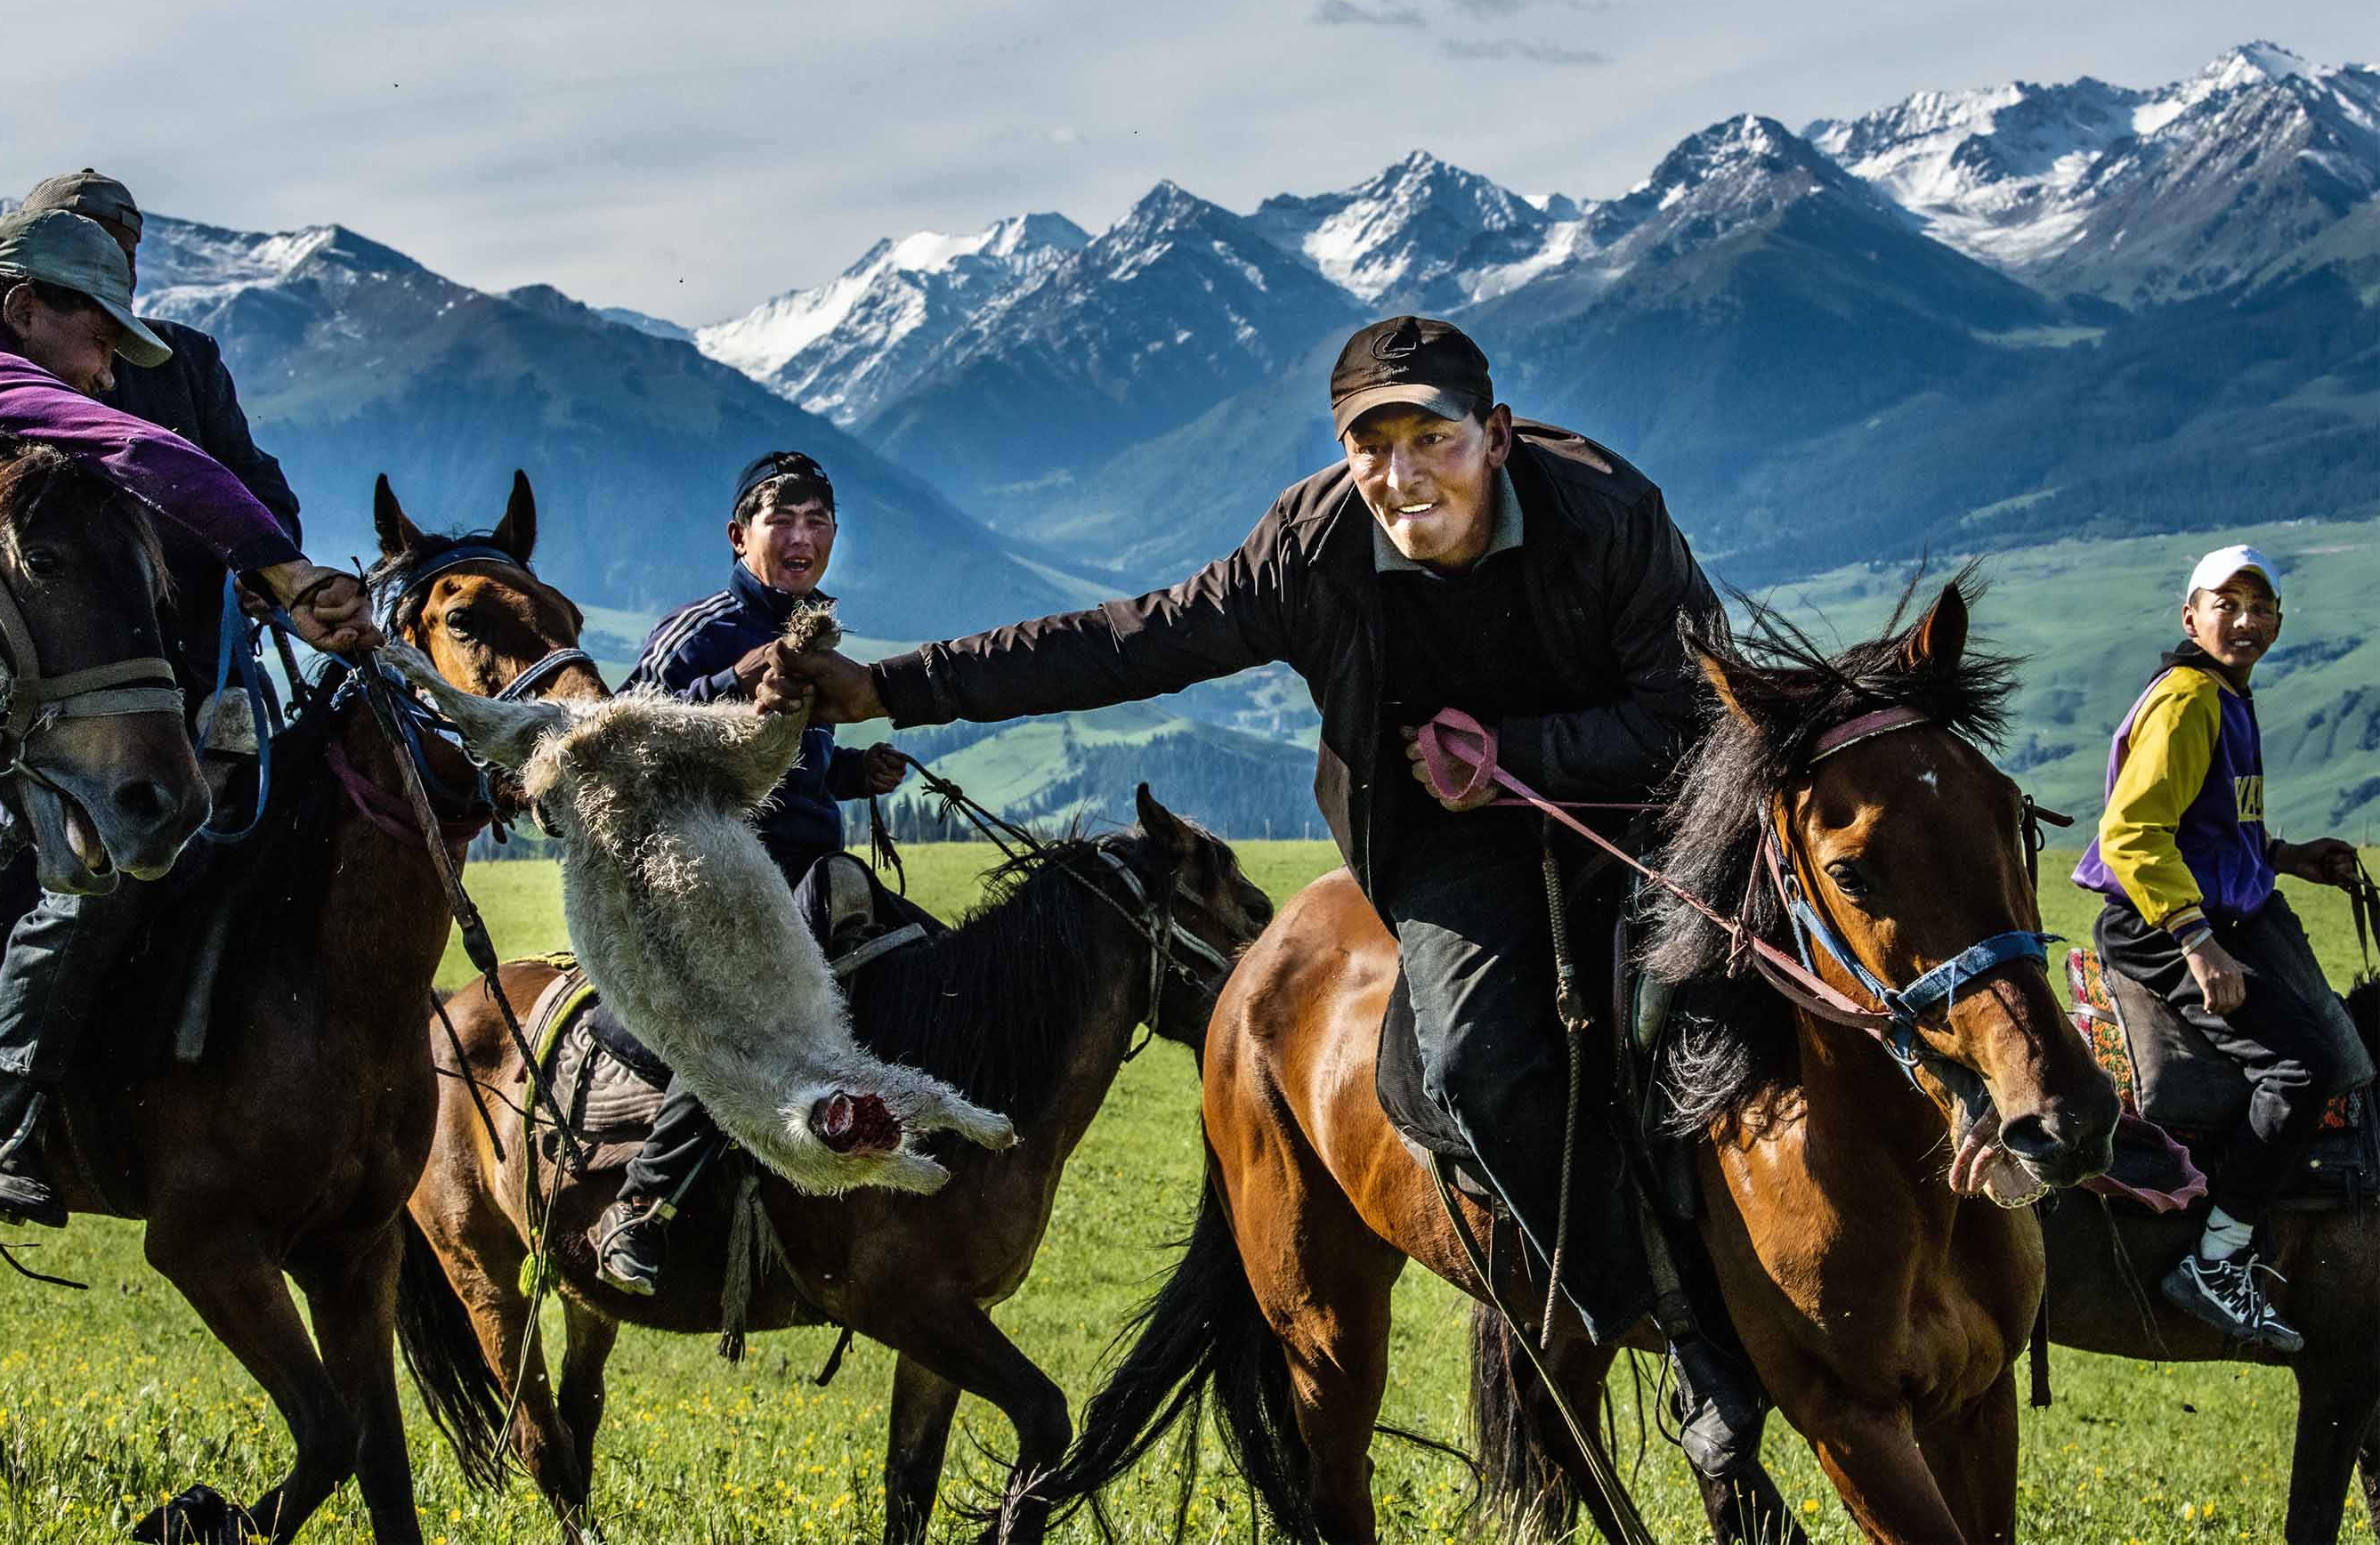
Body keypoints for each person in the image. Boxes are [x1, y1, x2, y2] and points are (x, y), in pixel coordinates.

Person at [743, 315, 1768, 1476]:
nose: (1402, 473)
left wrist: (1522, 749)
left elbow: (1693, 710)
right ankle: (1674, 1329)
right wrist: (888, 686)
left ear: (1494, 434)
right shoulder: (1312, 545)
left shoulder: (1607, 512)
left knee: (1753, 998)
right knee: (1474, 1056)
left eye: (1432, 437)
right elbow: (1128, 641)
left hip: (1635, 807)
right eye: (1371, 444)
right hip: (1440, 838)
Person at [0, 208, 377, 1226]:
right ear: (22, 307)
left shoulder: (13, 381)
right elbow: (128, 443)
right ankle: (4, 1110)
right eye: (102, 341)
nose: (108, 374)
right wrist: (281, 570)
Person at [588, 449, 908, 1297]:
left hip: (807, 864)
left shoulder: (815, 629)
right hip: (722, 878)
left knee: (921, 955)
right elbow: (625, 731)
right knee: (746, 1017)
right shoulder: (701, 632)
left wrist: (852, 772)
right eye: (783, 520)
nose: (802, 537)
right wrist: (734, 676)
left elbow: (791, 768)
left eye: (818, 522)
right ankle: (644, 1202)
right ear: (740, 536)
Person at [2072, 546, 2368, 1351]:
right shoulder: (2190, 699)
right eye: (2225, 603)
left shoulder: (2229, 698)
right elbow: (2131, 835)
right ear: (2190, 617)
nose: (2245, 620)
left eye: (2260, 606)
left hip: (2211, 910)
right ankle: (2218, 1253)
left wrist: (2291, 856)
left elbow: (2213, 829)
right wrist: (2199, 944)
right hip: (2162, 924)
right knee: (2302, 1066)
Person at [0, 168, 304, 707]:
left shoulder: (184, 361)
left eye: (121, 261)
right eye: (85, 257)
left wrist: (265, 565)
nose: (107, 275)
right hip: (55, 670)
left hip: (204, 660)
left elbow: (255, 481)